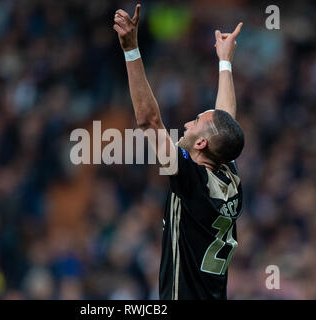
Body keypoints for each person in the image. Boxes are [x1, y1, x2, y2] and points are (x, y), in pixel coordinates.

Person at [113, 4, 245, 299]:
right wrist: (225, 61)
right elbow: (224, 121)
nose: (186, 123)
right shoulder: (227, 173)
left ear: (201, 145)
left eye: (195, 122)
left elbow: (149, 121)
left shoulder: (191, 180)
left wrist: (131, 49)